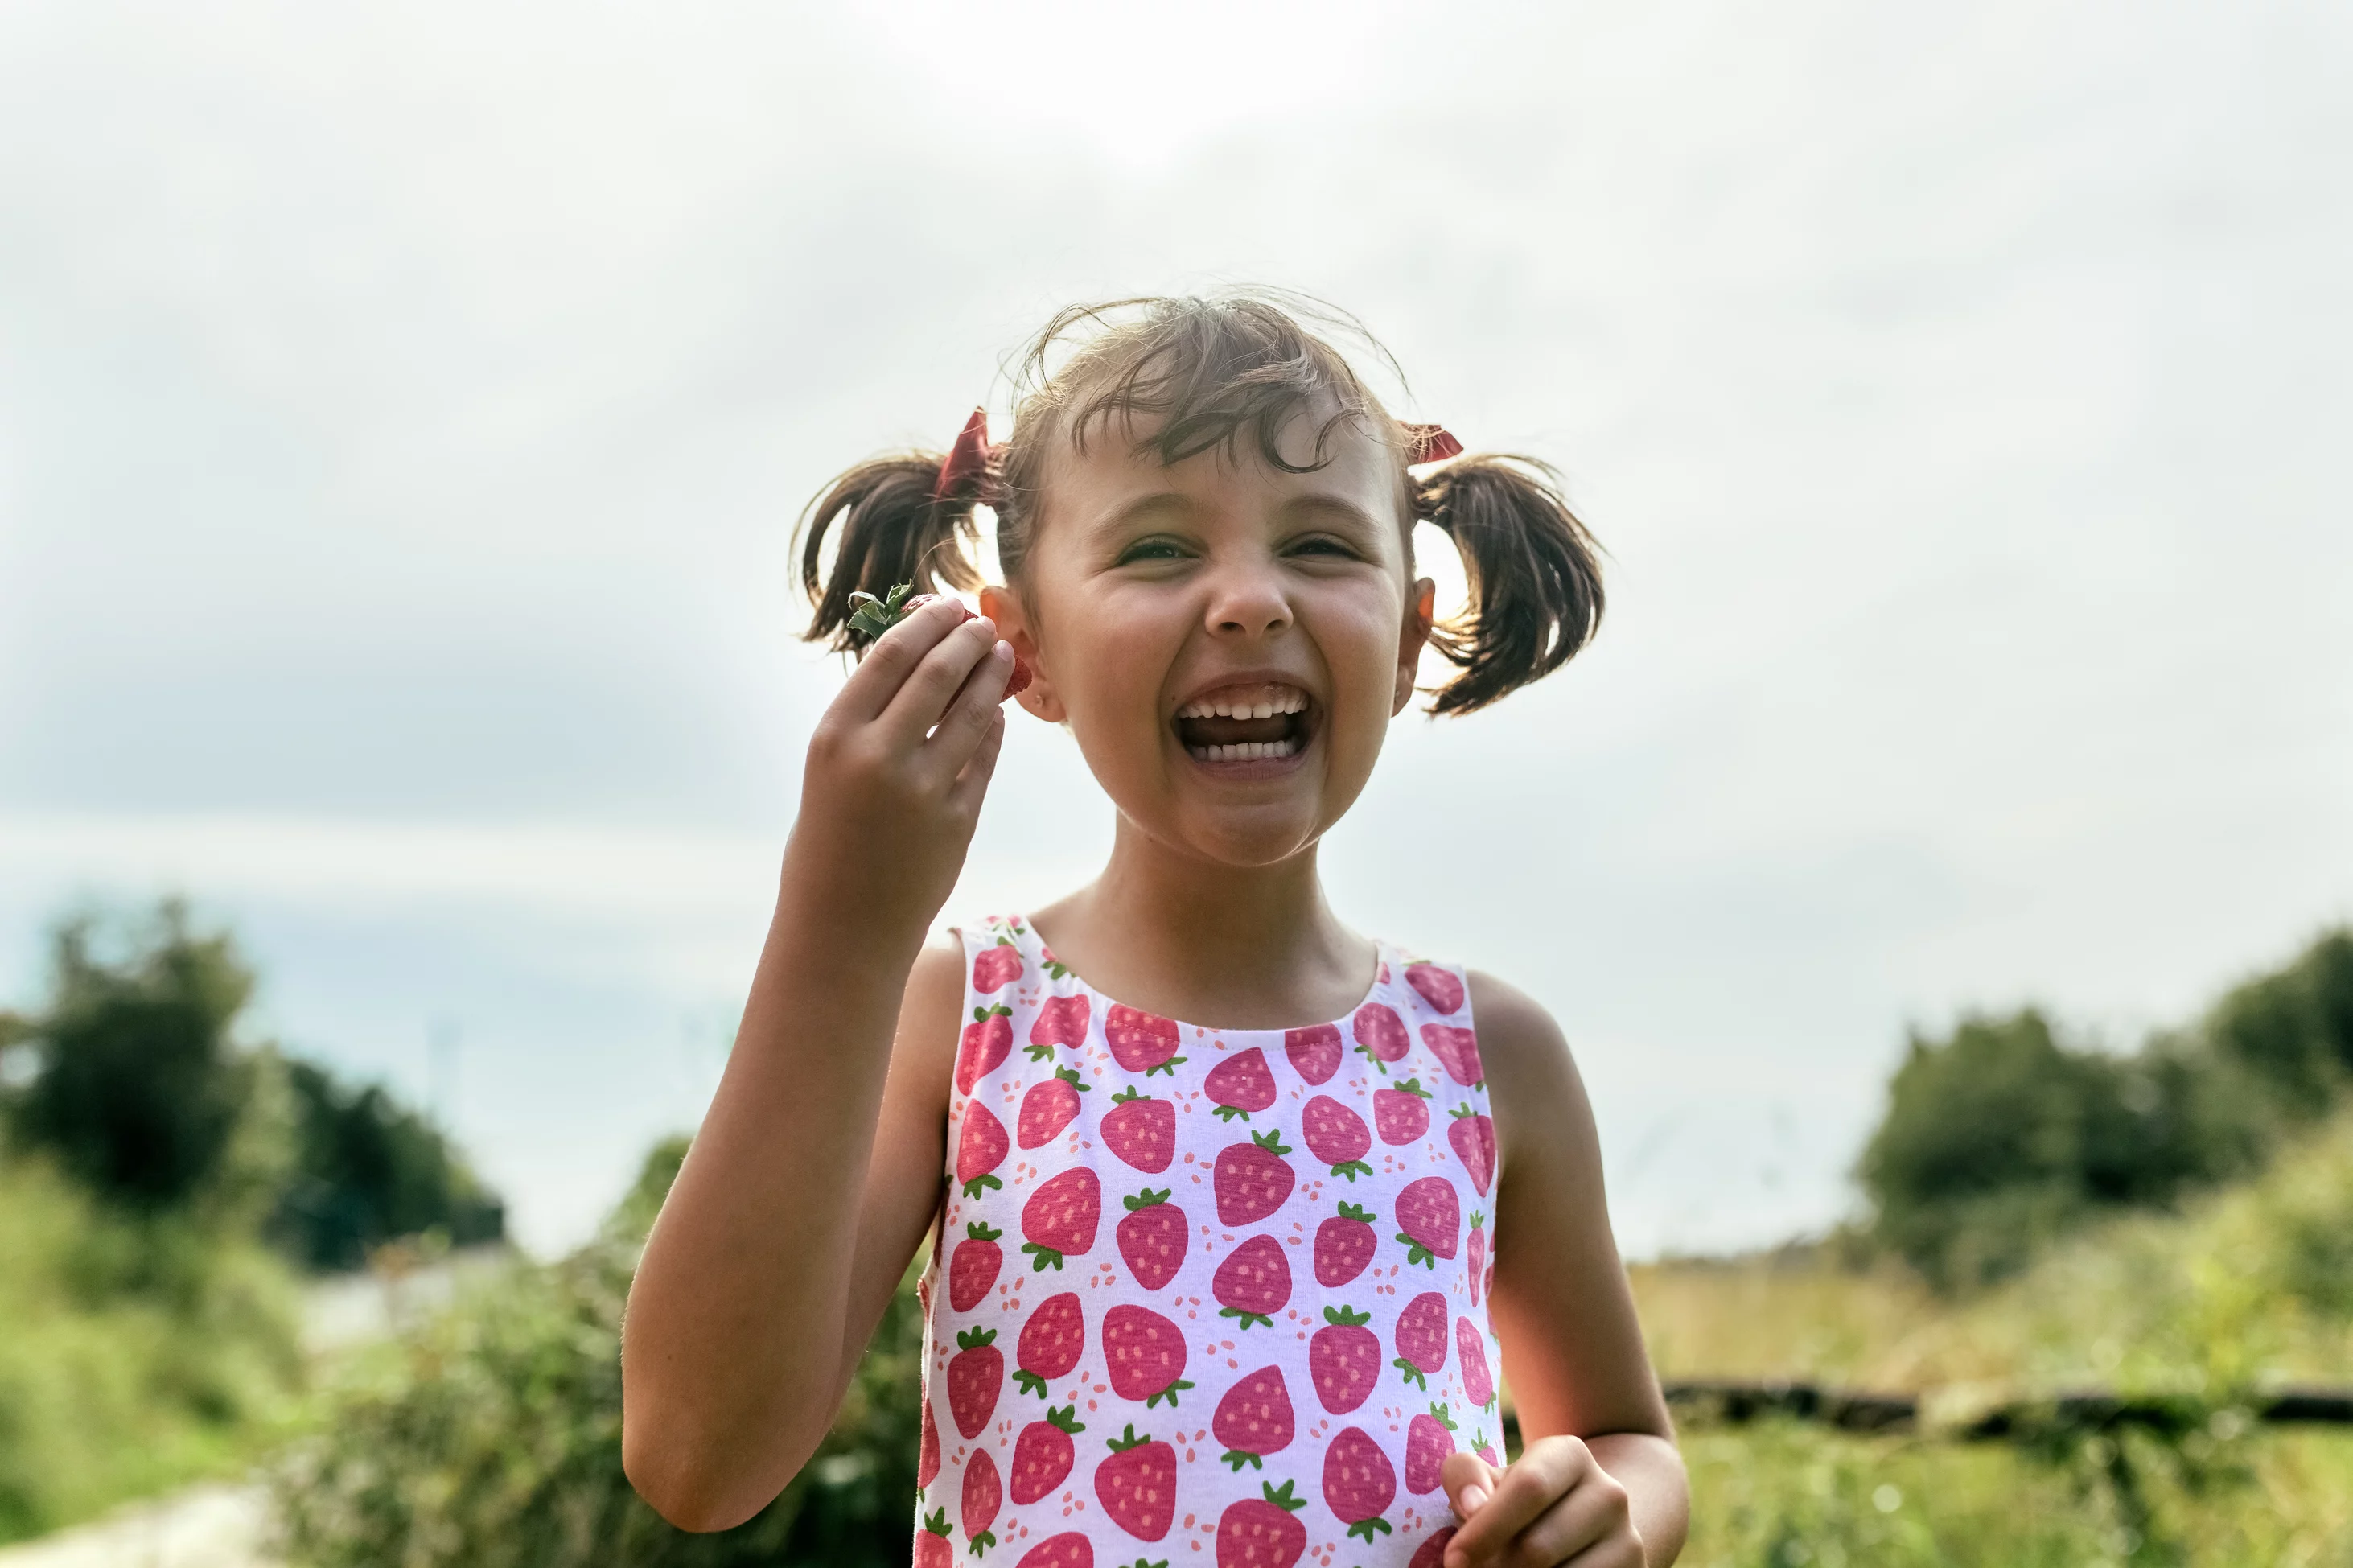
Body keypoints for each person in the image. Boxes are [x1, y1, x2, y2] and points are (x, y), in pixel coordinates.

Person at [621, 293, 1689, 1567]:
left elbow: (1628, 1436)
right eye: (1159, 550)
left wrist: (1608, 1513)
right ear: (1026, 651)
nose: (1249, 601)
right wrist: (840, 924)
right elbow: (697, 1459)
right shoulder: (965, 1017)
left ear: (1409, 639)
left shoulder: (1490, 1054)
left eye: (1322, 545)